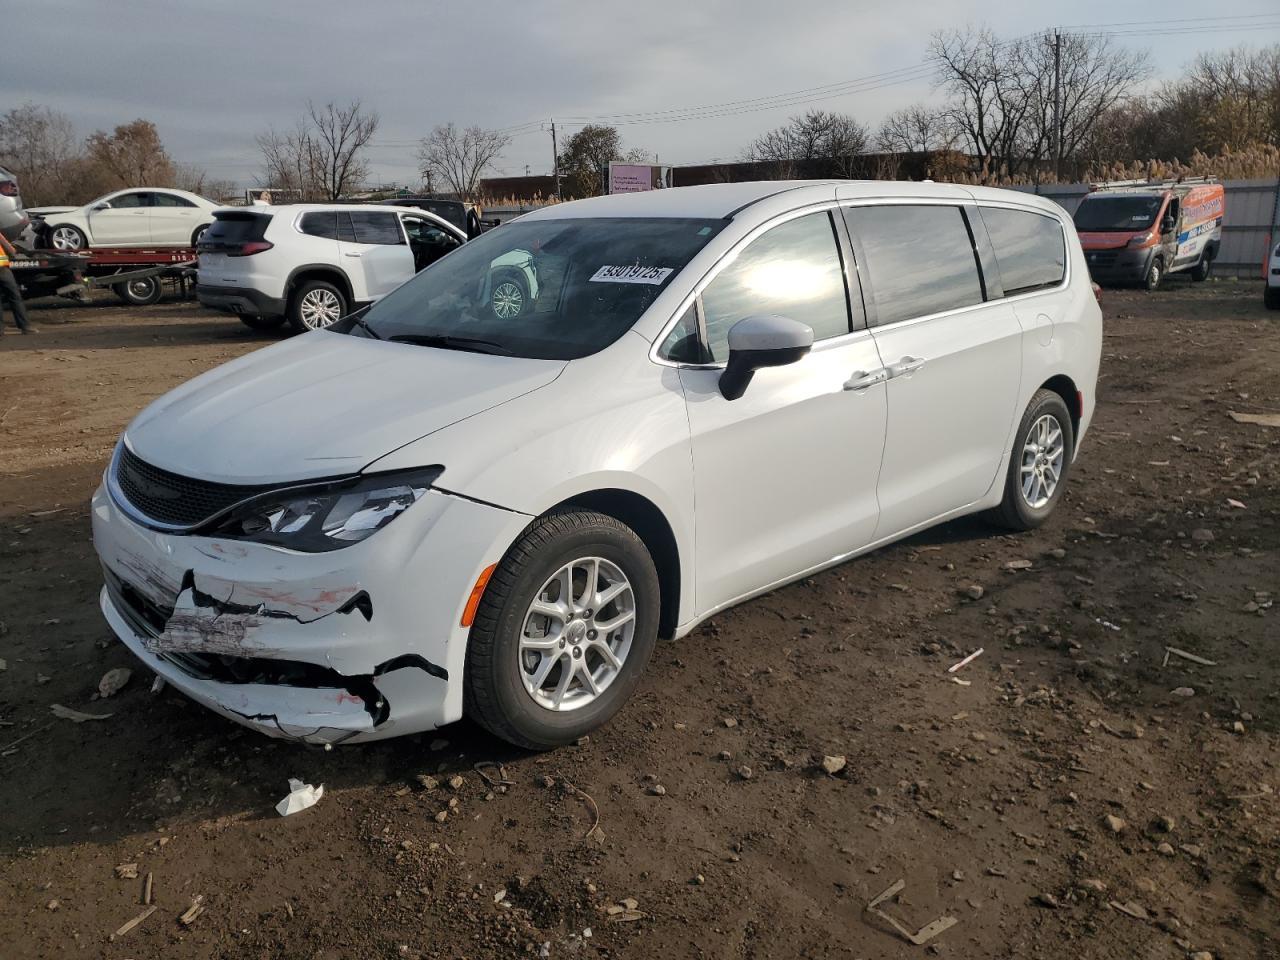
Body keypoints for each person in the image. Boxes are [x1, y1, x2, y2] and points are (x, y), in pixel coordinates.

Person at [0, 232, 35, 335]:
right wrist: (13, 254)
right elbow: (10, 250)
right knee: (14, 297)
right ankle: (25, 326)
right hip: (2, 270)